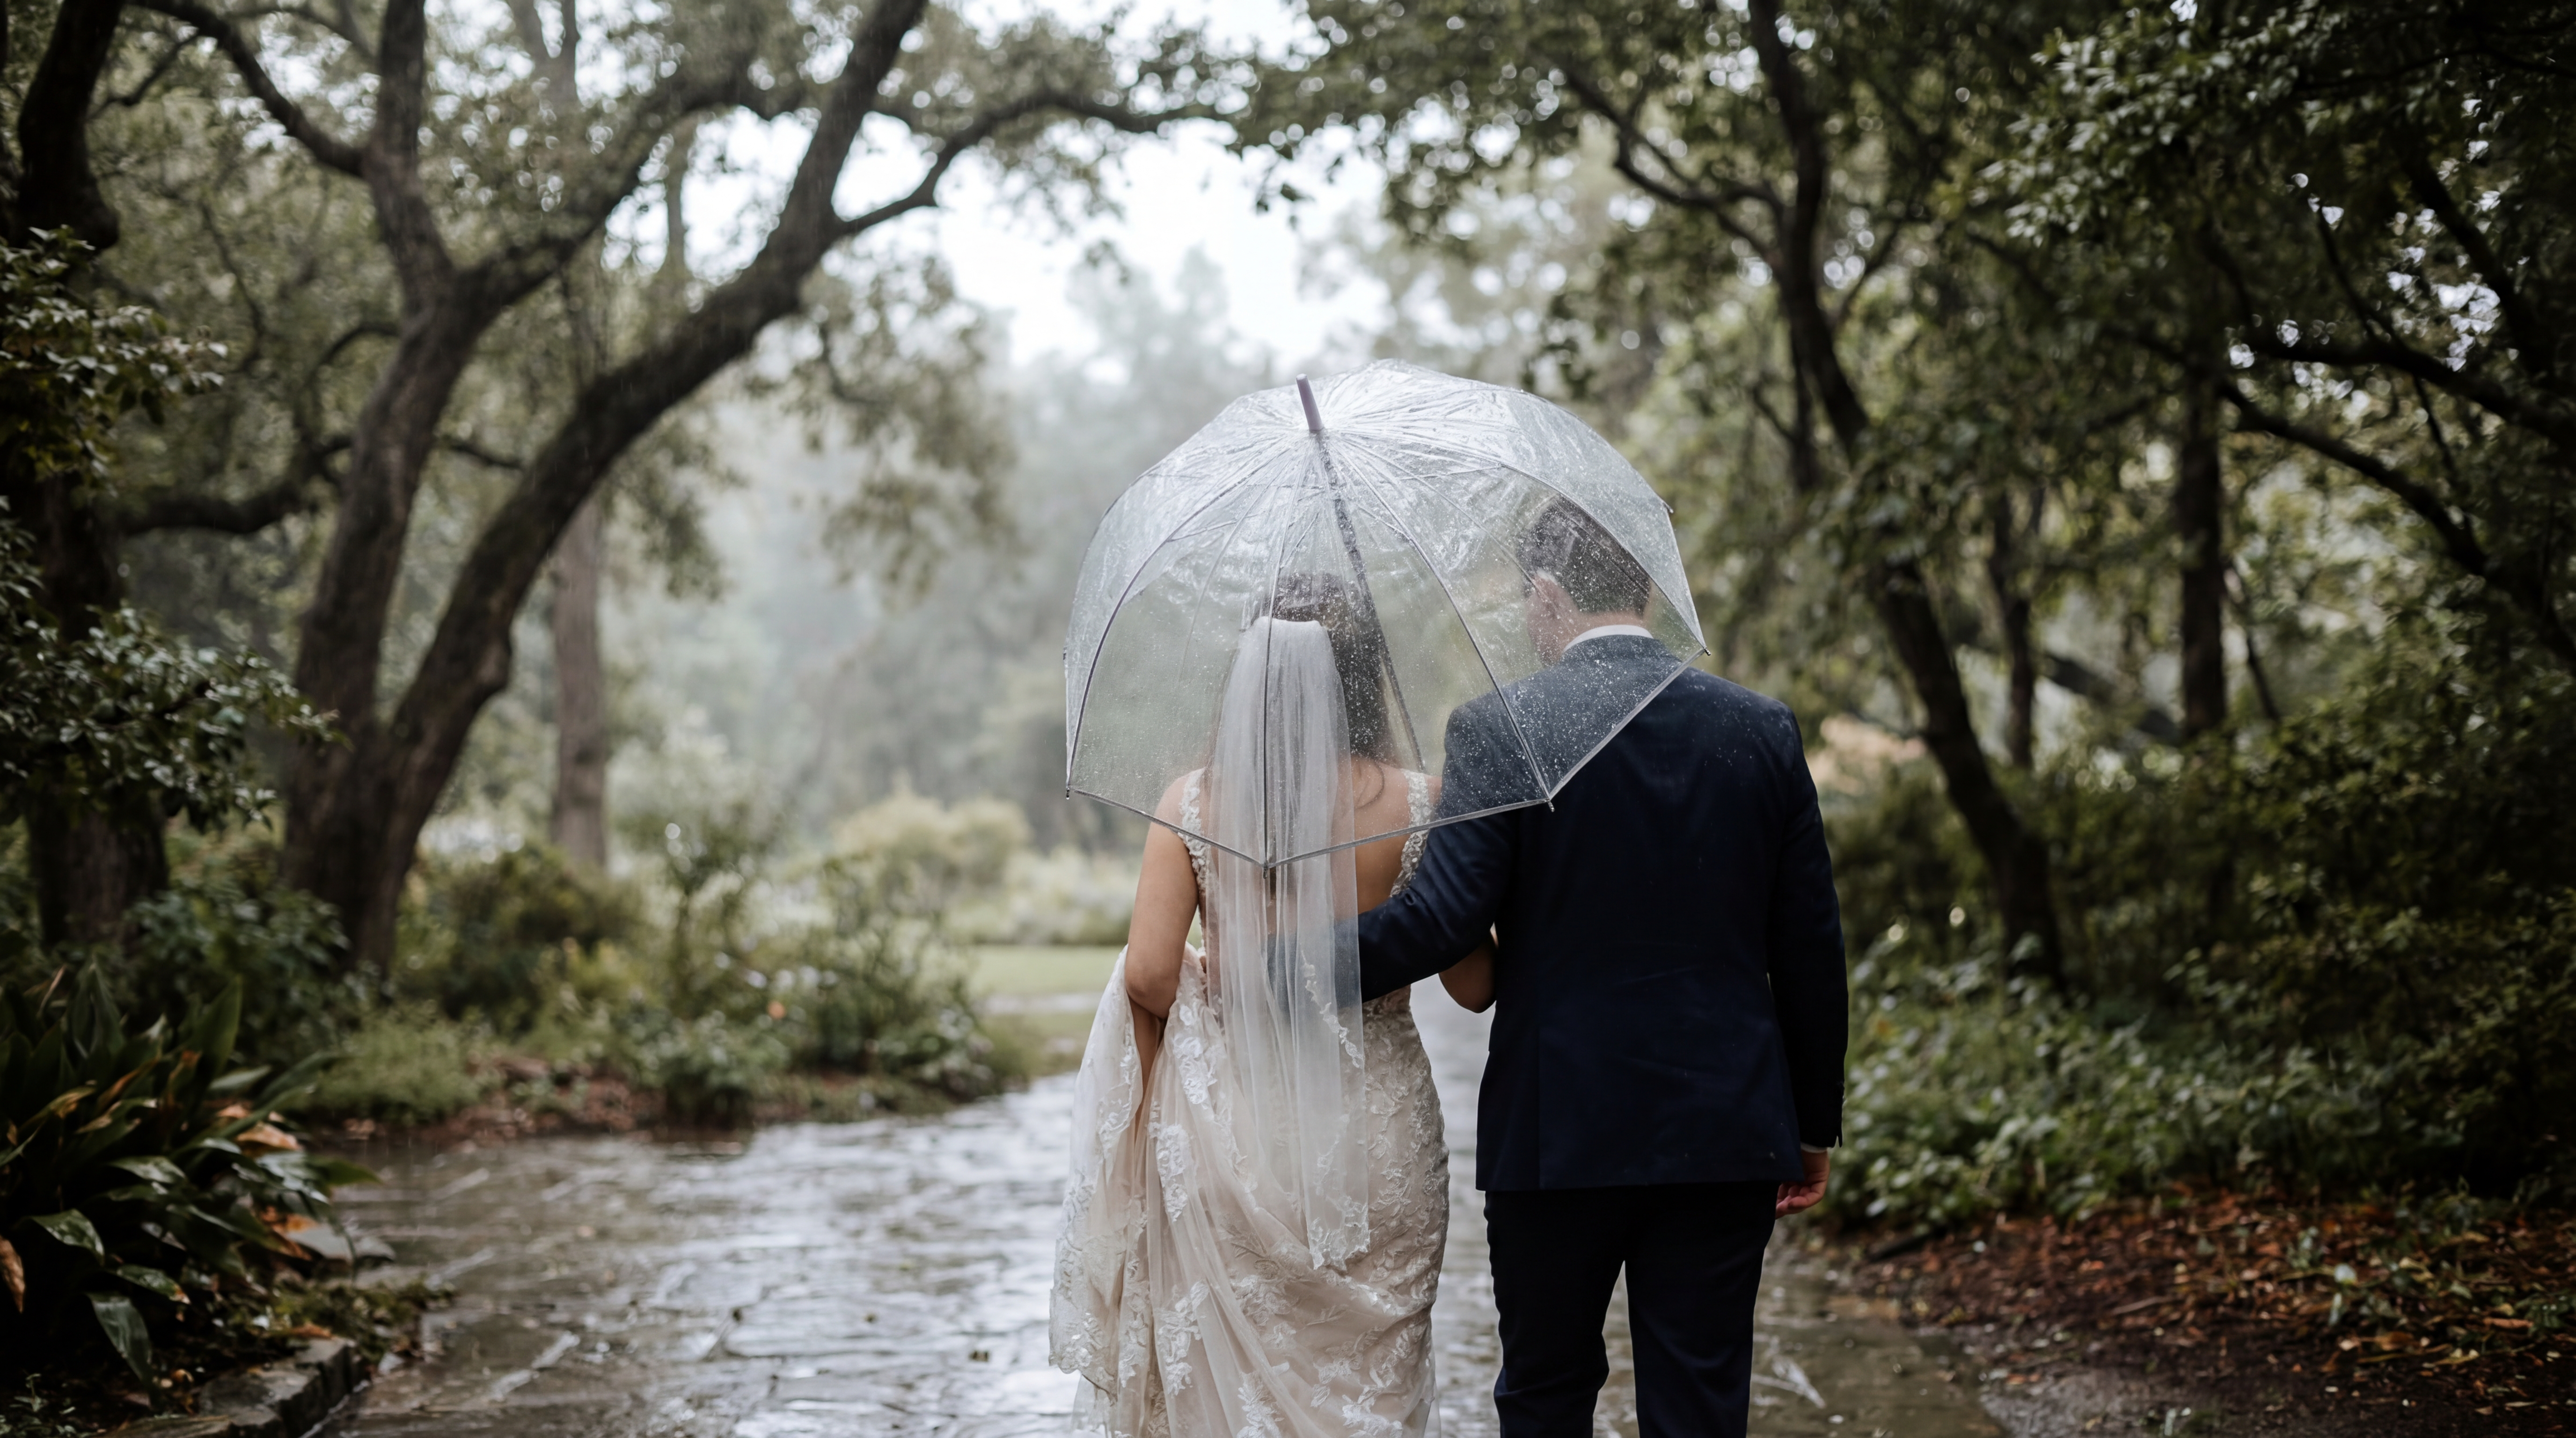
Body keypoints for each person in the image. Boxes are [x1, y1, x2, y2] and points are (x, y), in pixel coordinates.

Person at [1357, 498, 1849, 1438]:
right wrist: (1810, 1124)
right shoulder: (1761, 729)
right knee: (1700, 1402)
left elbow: (1437, 924)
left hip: (1557, 1132)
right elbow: (1810, 950)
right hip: (1725, 1126)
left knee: (1545, 1393)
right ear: (1648, 591)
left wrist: (1284, 966)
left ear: (1546, 595)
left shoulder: (1502, 728)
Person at [1050, 573, 1490, 1438]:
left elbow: (1148, 975)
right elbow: (1475, 989)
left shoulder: (1195, 803)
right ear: (1362, 678)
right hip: (1378, 1142)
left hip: (1238, 1135)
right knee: (1376, 1381)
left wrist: (1230, 976)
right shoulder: (1425, 804)